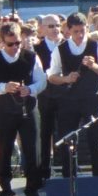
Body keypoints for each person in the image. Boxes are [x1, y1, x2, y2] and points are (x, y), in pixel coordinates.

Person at [0, 23, 47, 196]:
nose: (15, 47)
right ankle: (5, 191)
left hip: (28, 110)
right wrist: (3, 87)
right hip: (5, 112)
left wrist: (31, 89)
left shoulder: (31, 57)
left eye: (18, 42)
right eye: (10, 44)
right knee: (4, 151)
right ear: (2, 42)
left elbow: (42, 81)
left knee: (33, 150)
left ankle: (32, 189)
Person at [47, 12, 98, 178]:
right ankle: (69, 178)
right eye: (76, 31)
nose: (80, 35)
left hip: (92, 99)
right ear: (68, 30)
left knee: (96, 140)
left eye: (83, 30)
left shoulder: (97, 46)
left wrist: (93, 65)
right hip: (69, 101)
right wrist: (66, 78)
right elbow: (52, 77)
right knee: (68, 140)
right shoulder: (60, 49)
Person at [34, 14, 64, 184]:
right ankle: (44, 172)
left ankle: (68, 170)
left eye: (57, 25)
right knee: (45, 135)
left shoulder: (67, 45)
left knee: (67, 133)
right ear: (43, 29)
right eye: (50, 26)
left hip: (65, 96)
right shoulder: (37, 49)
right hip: (45, 97)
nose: (54, 29)